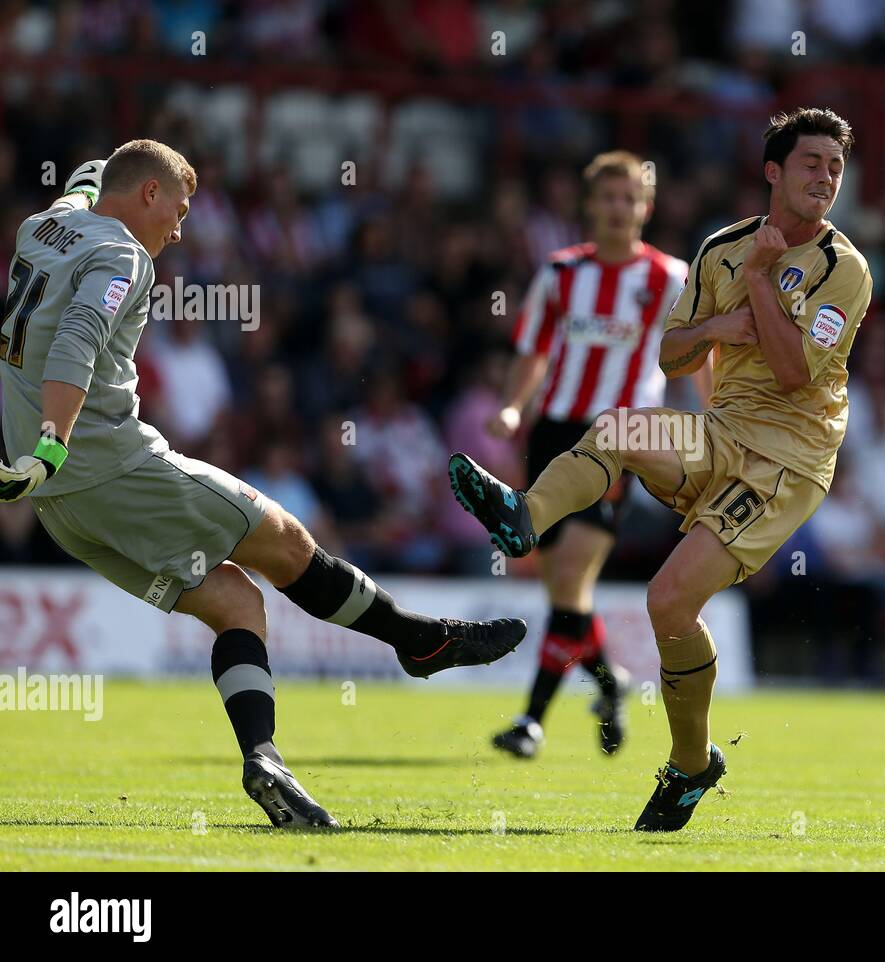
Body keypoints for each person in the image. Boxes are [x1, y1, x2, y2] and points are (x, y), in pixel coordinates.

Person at [0, 141, 525, 829]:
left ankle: (265, 759)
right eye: (179, 210)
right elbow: (76, 340)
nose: (181, 230)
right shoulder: (124, 255)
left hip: (60, 507)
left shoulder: (40, 226)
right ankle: (415, 638)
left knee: (235, 601)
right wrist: (53, 443)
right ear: (148, 195)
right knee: (281, 537)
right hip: (108, 467)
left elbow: (78, 195)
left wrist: (41, 461)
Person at [448, 108, 872, 831]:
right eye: (811, 163)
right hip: (723, 431)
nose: (825, 178)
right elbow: (673, 353)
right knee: (614, 427)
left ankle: (691, 764)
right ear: (773, 171)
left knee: (669, 602)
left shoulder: (845, 269)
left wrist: (764, 282)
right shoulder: (720, 248)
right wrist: (711, 328)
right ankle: (523, 516)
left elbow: (797, 373)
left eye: (834, 167)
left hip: (787, 464)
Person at [486, 150, 691, 760]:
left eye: (629, 198)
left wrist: (717, 426)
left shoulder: (669, 278)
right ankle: (609, 683)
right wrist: (513, 406)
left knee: (573, 574)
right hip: (553, 433)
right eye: (608, 197)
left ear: (646, 208)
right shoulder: (559, 272)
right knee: (564, 591)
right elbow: (533, 349)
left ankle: (530, 720)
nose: (618, 208)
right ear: (590, 204)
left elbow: (693, 358)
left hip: (622, 438)